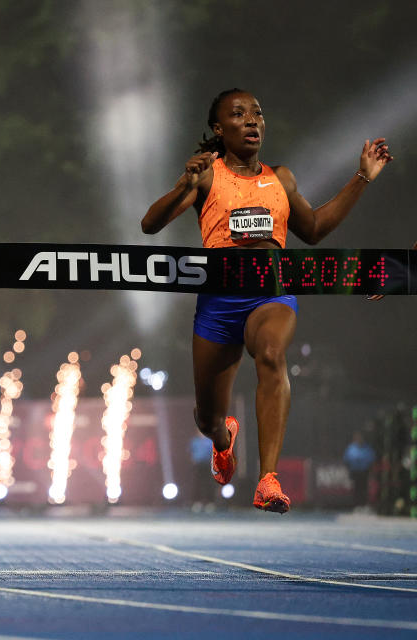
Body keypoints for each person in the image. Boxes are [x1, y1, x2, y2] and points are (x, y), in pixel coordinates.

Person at [141, 89, 392, 513]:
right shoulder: (207, 176)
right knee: (208, 420)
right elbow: (150, 224)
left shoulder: (282, 179)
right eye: (239, 115)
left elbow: (313, 229)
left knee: (273, 354)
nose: (252, 121)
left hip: (270, 293)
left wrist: (362, 177)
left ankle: (267, 479)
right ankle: (224, 439)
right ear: (220, 130)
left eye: (257, 113)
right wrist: (184, 182)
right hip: (218, 306)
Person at [343, 430, 376, 510]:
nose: (359, 439)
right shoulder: (351, 448)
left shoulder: (367, 448)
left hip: (364, 472)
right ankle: (356, 505)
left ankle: (364, 505)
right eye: (357, 438)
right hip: (355, 471)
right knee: (356, 489)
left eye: (360, 438)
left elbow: (372, 459)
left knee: (364, 489)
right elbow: (346, 459)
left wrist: (370, 469)